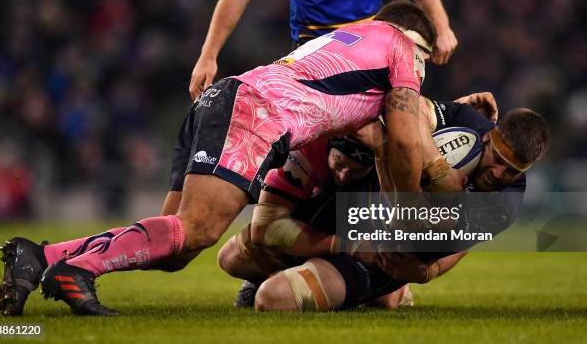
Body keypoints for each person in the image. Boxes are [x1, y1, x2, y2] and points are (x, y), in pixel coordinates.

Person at [0, 0, 463, 316]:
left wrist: (463, 110)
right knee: (196, 231)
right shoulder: (401, 47)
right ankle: (78, 270)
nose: (421, 73)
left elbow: (373, 129)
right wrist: (409, 210)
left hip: (227, 99)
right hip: (253, 115)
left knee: (174, 244)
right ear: (417, 43)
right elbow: (403, 140)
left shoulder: (351, 42)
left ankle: (40, 257)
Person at [216, 97, 549, 311]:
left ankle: (386, 288)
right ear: (490, 135)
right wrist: (437, 167)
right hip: (355, 220)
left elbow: (425, 227)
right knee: (230, 257)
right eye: (498, 159)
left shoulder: (504, 205)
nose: (498, 173)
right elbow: (411, 106)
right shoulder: (468, 122)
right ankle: (380, 294)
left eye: (512, 171)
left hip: (388, 258)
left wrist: (427, 271)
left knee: (271, 299)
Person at [189, 0, 458, 100]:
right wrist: (208, 55)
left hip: (373, 43)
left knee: (392, 137)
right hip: (317, 49)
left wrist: (441, 25)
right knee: (323, 155)